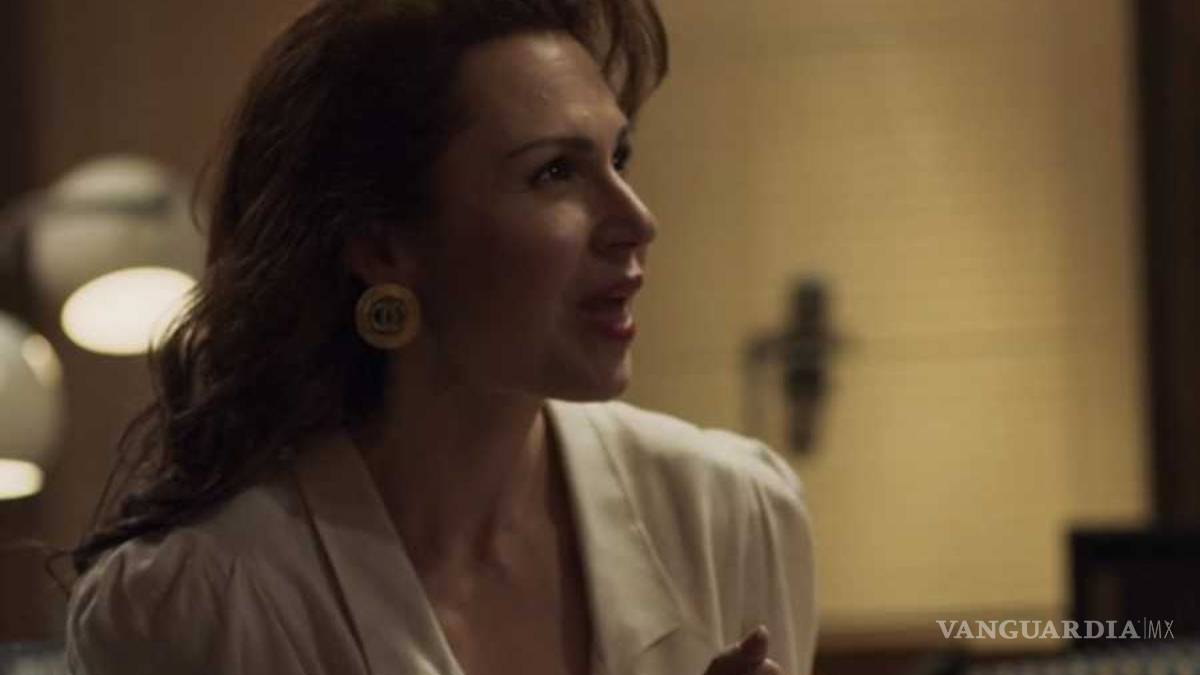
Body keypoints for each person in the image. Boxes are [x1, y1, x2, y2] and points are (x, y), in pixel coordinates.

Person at [64, 1, 817, 674]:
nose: (637, 221)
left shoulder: (731, 515)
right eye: (555, 172)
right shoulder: (193, 607)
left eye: (617, 159)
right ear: (383, 246)